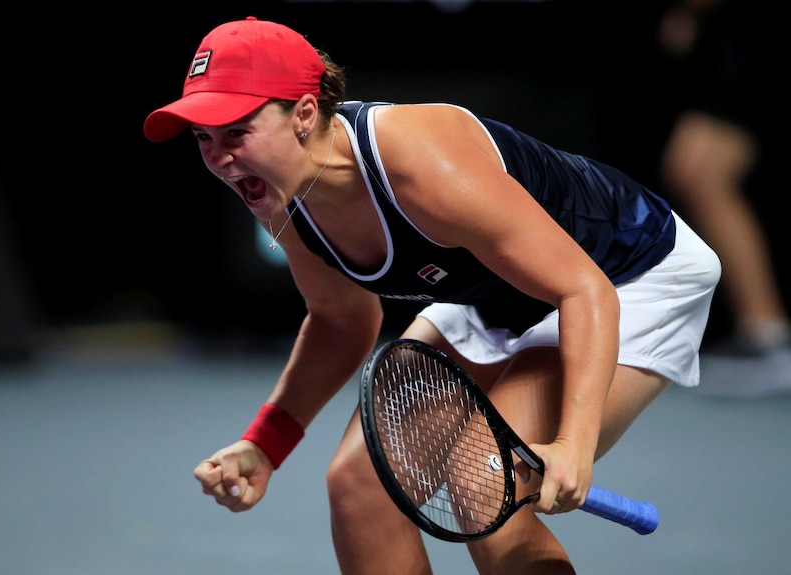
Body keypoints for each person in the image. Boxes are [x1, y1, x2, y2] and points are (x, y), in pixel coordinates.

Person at [143, 17, 720, 574]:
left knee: (484, 486)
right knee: (360, 485)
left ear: (304, 113)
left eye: (237, 133)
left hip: (627, 276)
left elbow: (581, 287)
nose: (218, 159)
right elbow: (340, 320)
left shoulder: (421, 159)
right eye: (203, 138)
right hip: (494, 292)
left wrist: (572, 441)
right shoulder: (281, 197)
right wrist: (265, 444)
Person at [655, 0, 791, 397]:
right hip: (732, 31)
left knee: (701, 172)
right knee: (695, 173)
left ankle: (768, 338)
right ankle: (760, 333)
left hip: (752, 30)